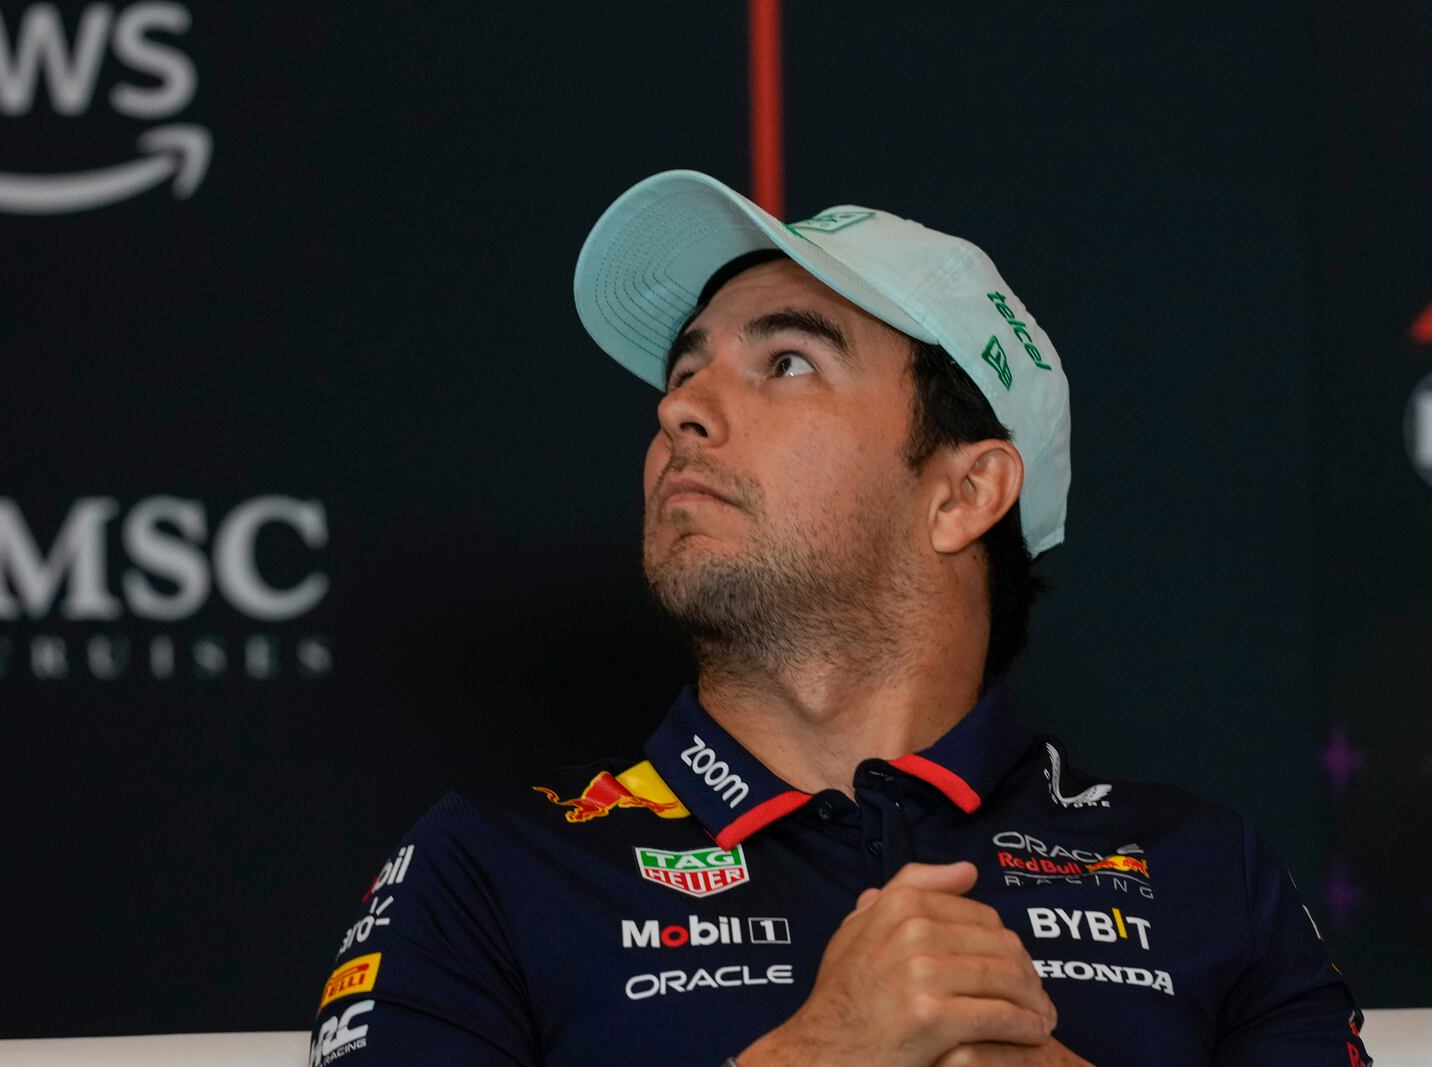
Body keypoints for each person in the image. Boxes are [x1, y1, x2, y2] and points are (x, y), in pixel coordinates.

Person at [308, 171, 1372, 1066]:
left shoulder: (1203, 872)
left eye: (786, 362)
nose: (680, 408)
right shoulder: (494, 868)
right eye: (684, 372)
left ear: (962, 492)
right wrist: (819, 1053)